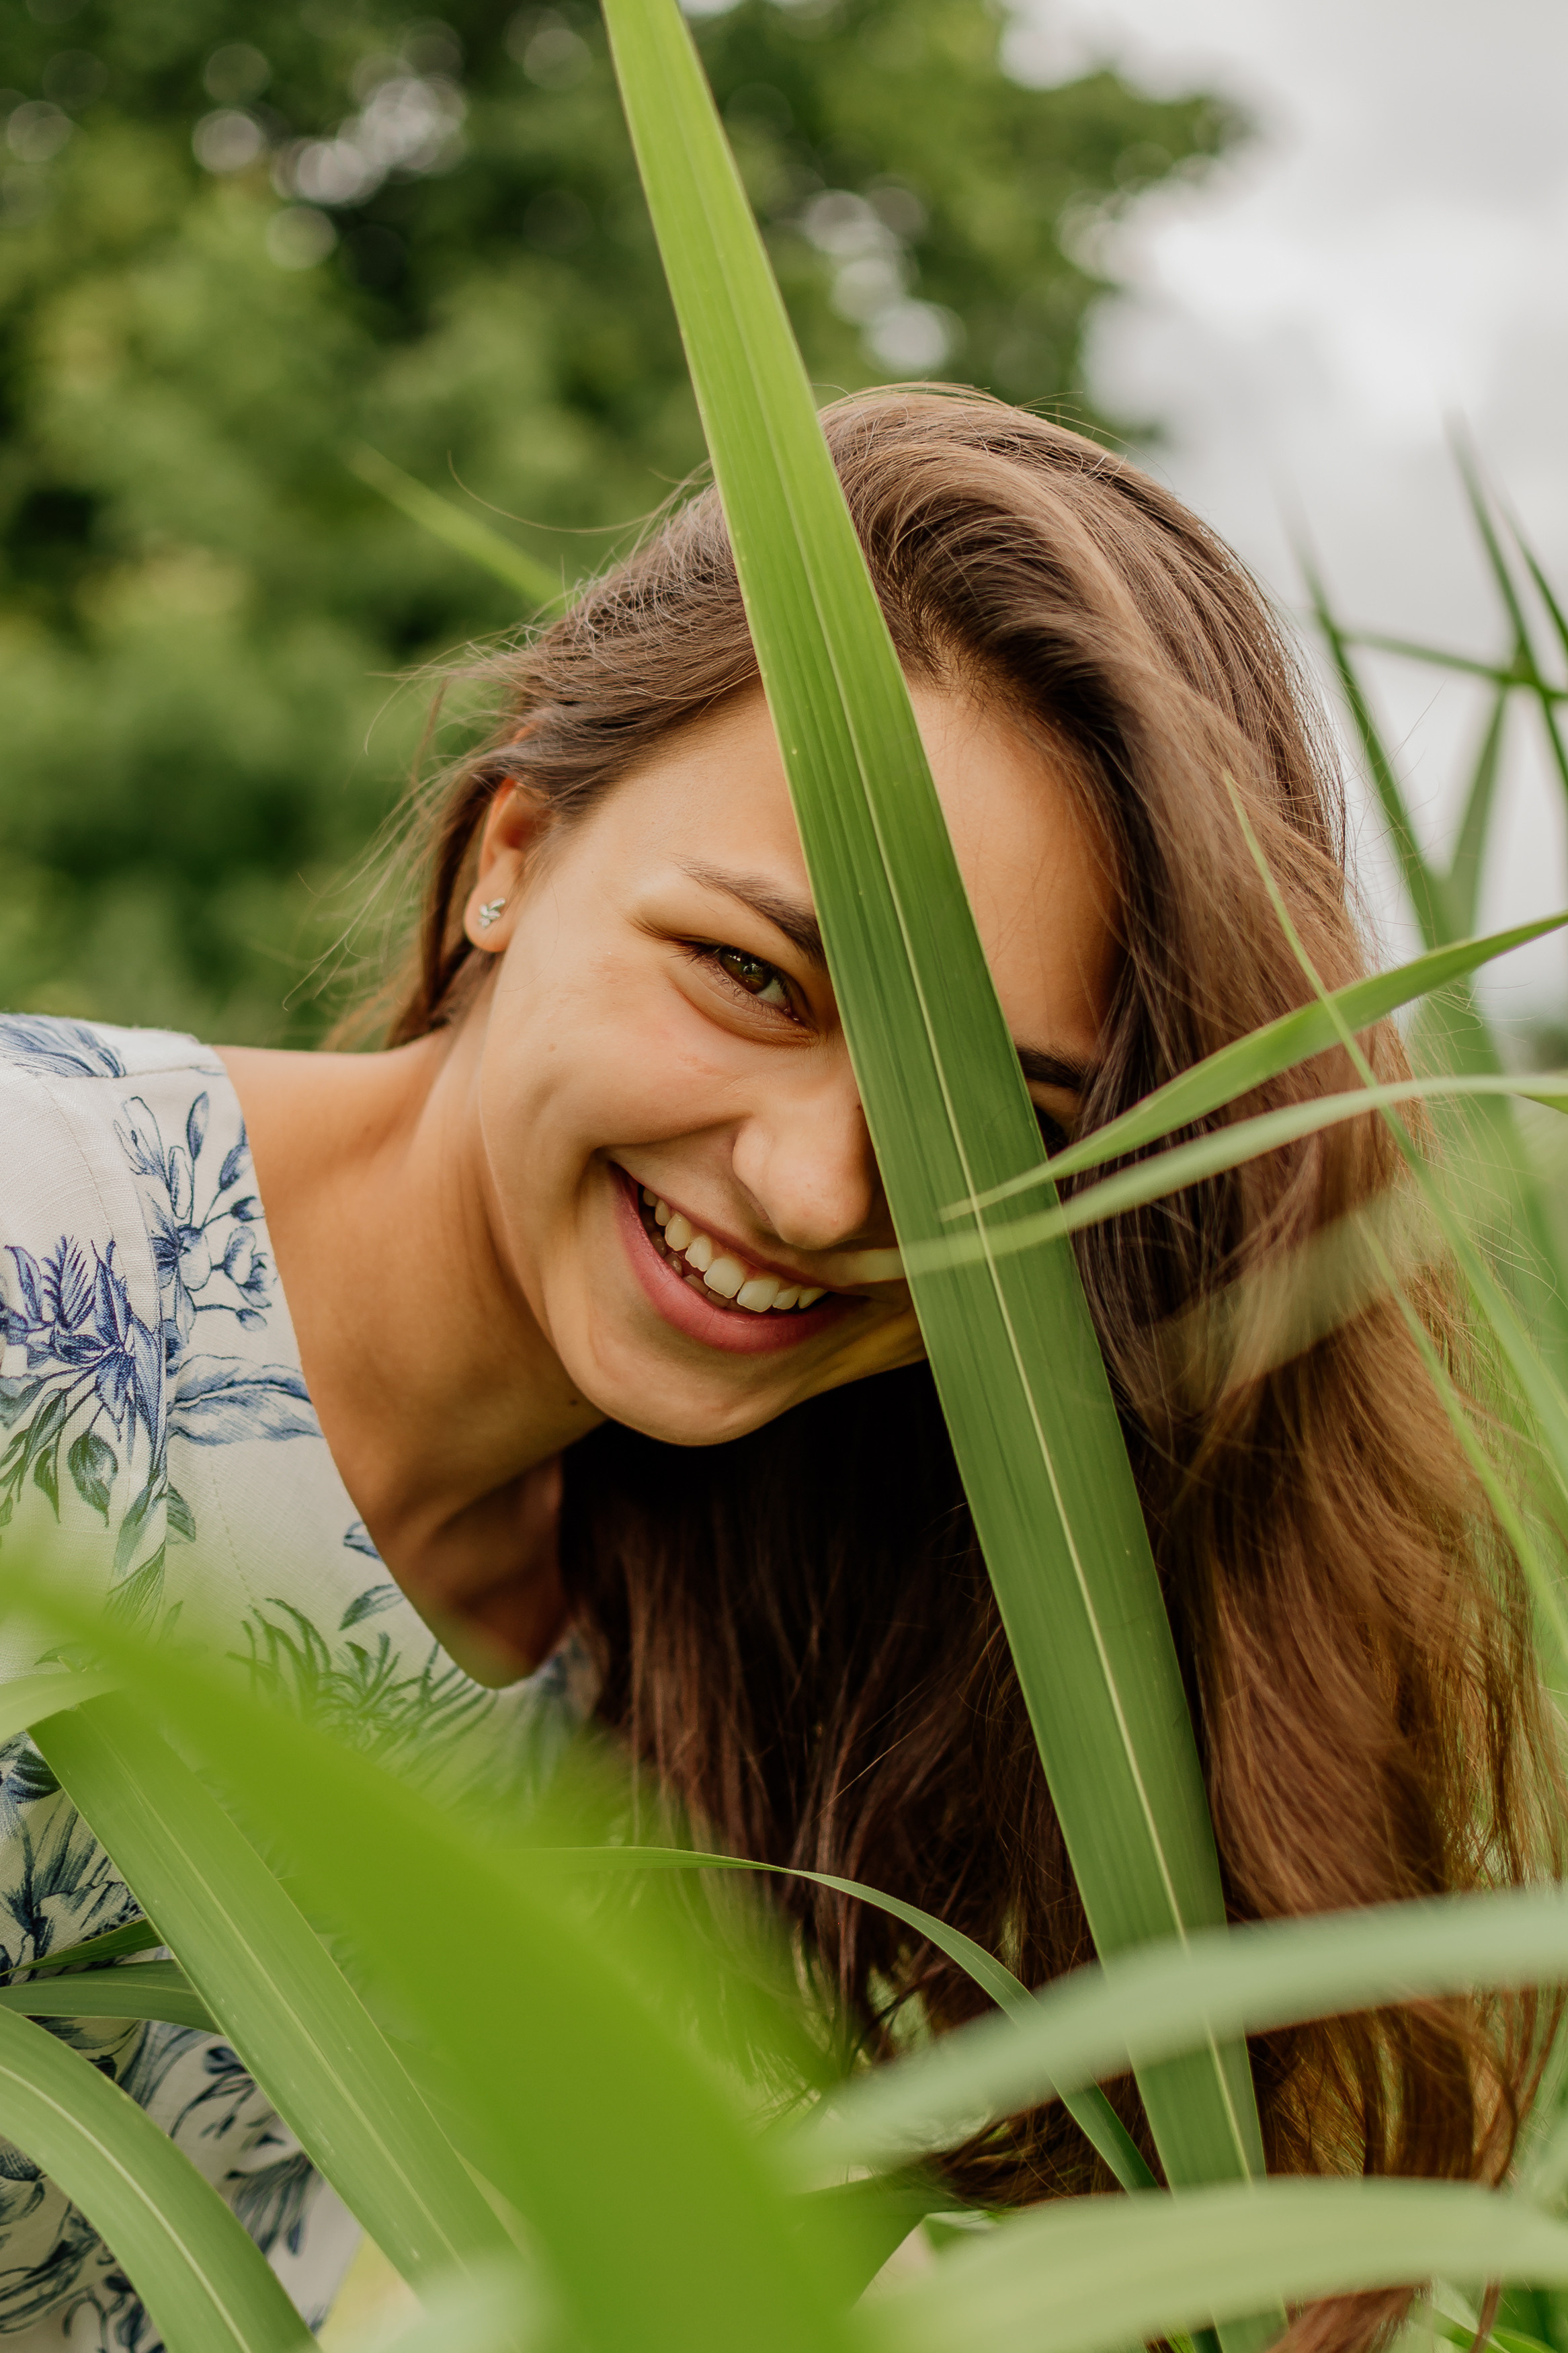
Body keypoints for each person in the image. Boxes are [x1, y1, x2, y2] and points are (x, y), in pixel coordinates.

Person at [0, 391, 1557, 2350]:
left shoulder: (737, 1614)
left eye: (994, 1114)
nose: (822, 1186)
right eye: (754, 976)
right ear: (509, 856)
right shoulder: (37, 1245)